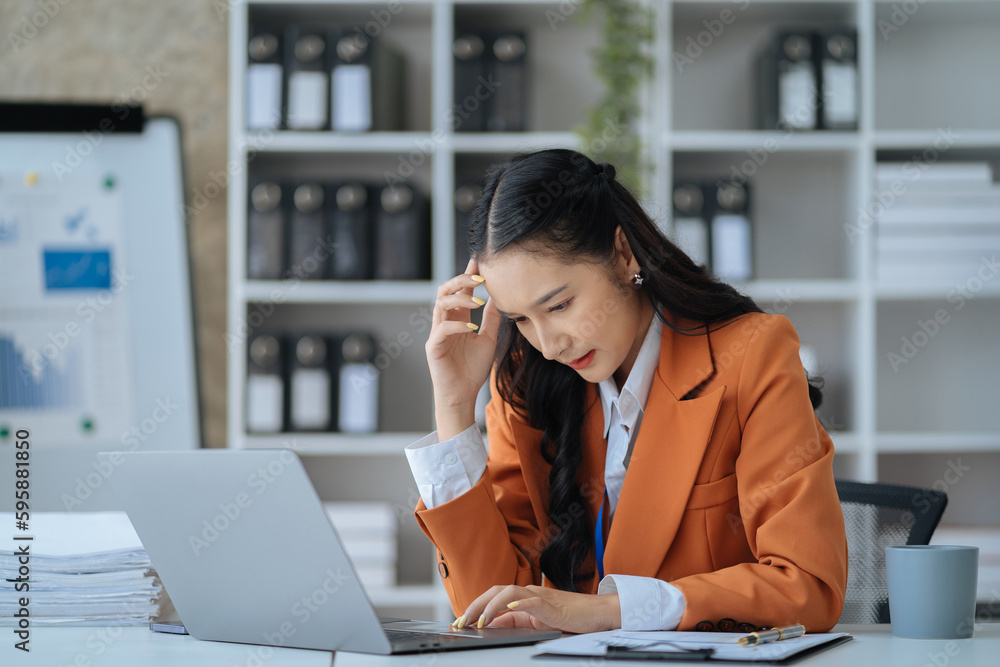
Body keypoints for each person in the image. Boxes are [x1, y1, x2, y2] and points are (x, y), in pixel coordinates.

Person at [404, 148, 847, 635]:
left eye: (560, 305)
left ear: (622, 254)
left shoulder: (751, 355)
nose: (549, 345)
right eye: (520, 320)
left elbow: (807, 587)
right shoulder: (525, 379)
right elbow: (492, 612)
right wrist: (453, 407)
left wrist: (609, 610)